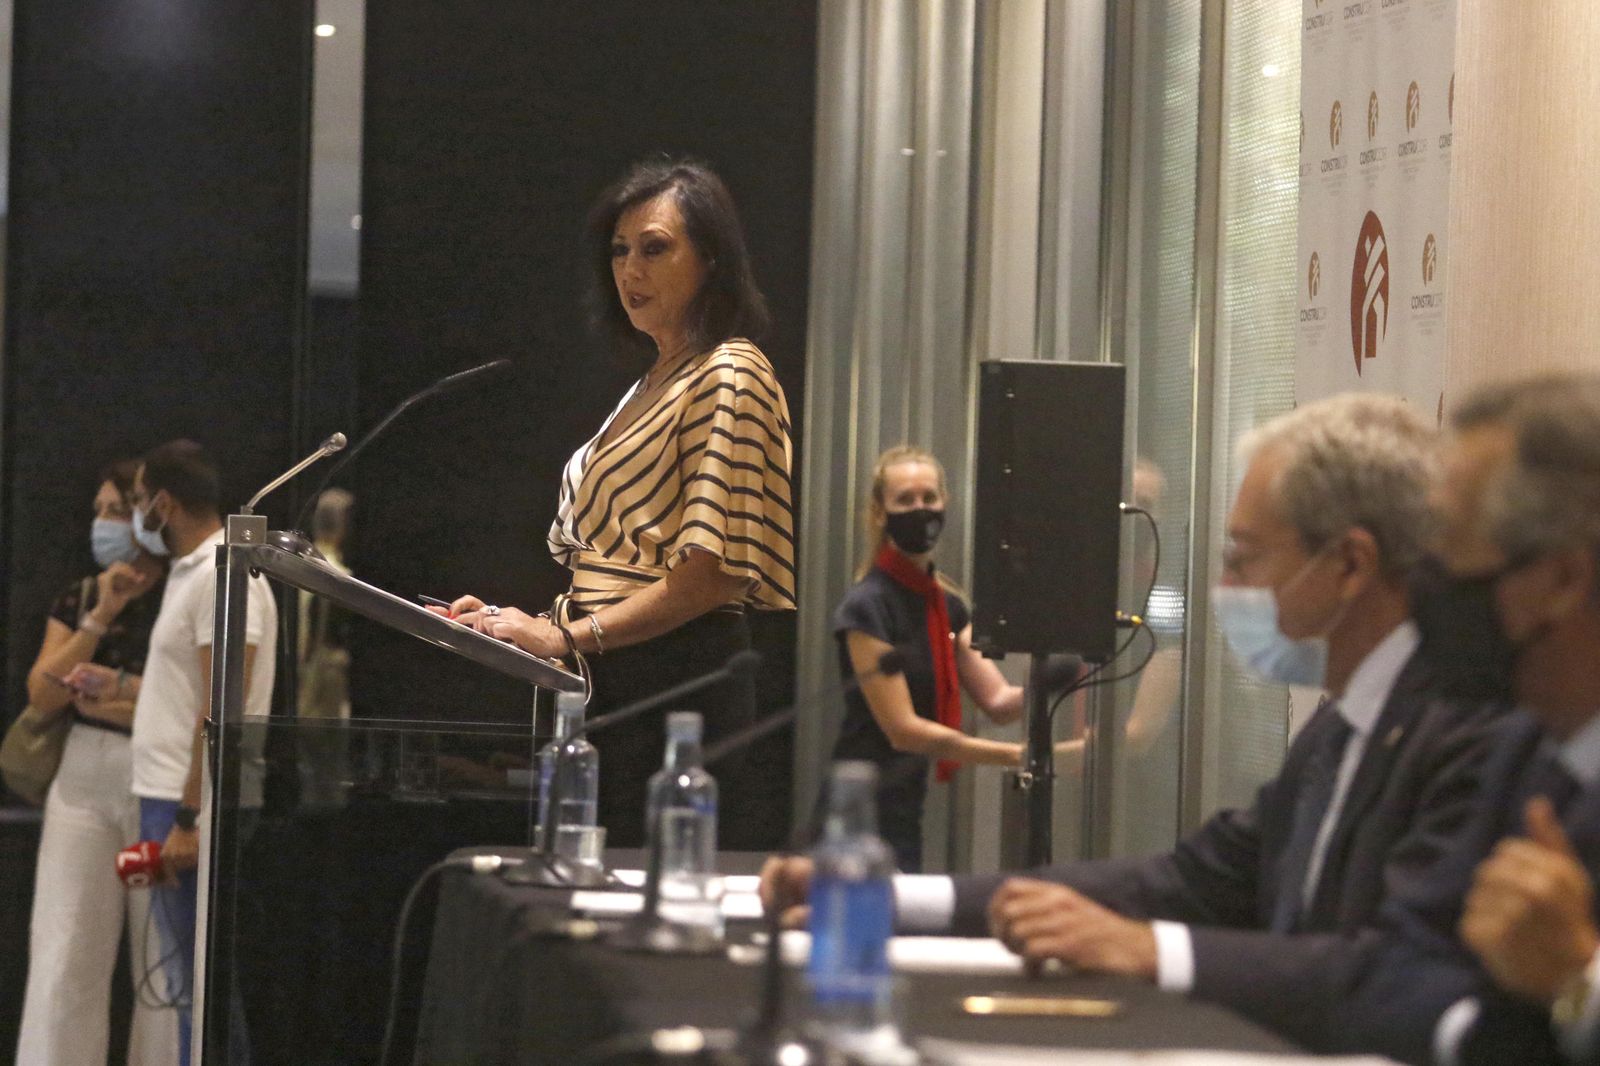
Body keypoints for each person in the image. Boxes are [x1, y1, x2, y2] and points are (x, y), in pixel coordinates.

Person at [762, 393, 1505, 1040]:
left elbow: (1396, 973)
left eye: (1242, 558)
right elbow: (1196, 879)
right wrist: (884, 899)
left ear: (1349, 565)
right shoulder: (1339, 727)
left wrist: (1149, 951)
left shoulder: (1467, 732)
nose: (1225, 586)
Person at [433, 159, 796, 848]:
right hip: (610, 676)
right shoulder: (651, 382)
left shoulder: (731, 371)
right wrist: (524, 626)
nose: (631, 270)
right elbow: (621, 561)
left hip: (677, 678)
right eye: (620, 251)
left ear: (712, 259)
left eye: (656, 248)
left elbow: (714, 572)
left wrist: (566, 638)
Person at [1306, 374, 1600, 1065]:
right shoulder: (1524, 746)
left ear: (1561, 580)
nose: (1421, 590)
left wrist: (1579, 980)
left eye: (1448, 558)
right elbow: (1398, 968)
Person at [16, 460, 176, 1065]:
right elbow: (43, 692)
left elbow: (191, 706)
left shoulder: (184, 592)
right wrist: (101, 615)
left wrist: (122, 694)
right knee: (65, 953)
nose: (103, 523)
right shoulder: (83, 593)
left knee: (159, 960)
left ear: (150, 513)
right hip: (82, 784)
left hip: (159, 780)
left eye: (116, 509)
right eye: (99, 510)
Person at [128, 439, 277, 1065]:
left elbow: (223, 705)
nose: (138, 516)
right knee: (192, 984)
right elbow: (188, 691)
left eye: (139, 502)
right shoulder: (192, 572)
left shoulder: (224, 573)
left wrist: (190, 817)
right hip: (169, 795)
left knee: (204, 988)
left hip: (192, 805)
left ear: (165, 502)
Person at [826, 445, 1023, 871]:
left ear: (945, 503)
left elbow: (1000, 701)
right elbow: (904, 731)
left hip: (905, 805)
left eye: (929, 498)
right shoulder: (868, 605)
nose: (920, 509)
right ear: (880, 513)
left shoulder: (945, 604)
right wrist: (1011, 756)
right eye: (905, 500)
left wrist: (1059, 677)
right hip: (858, 806)